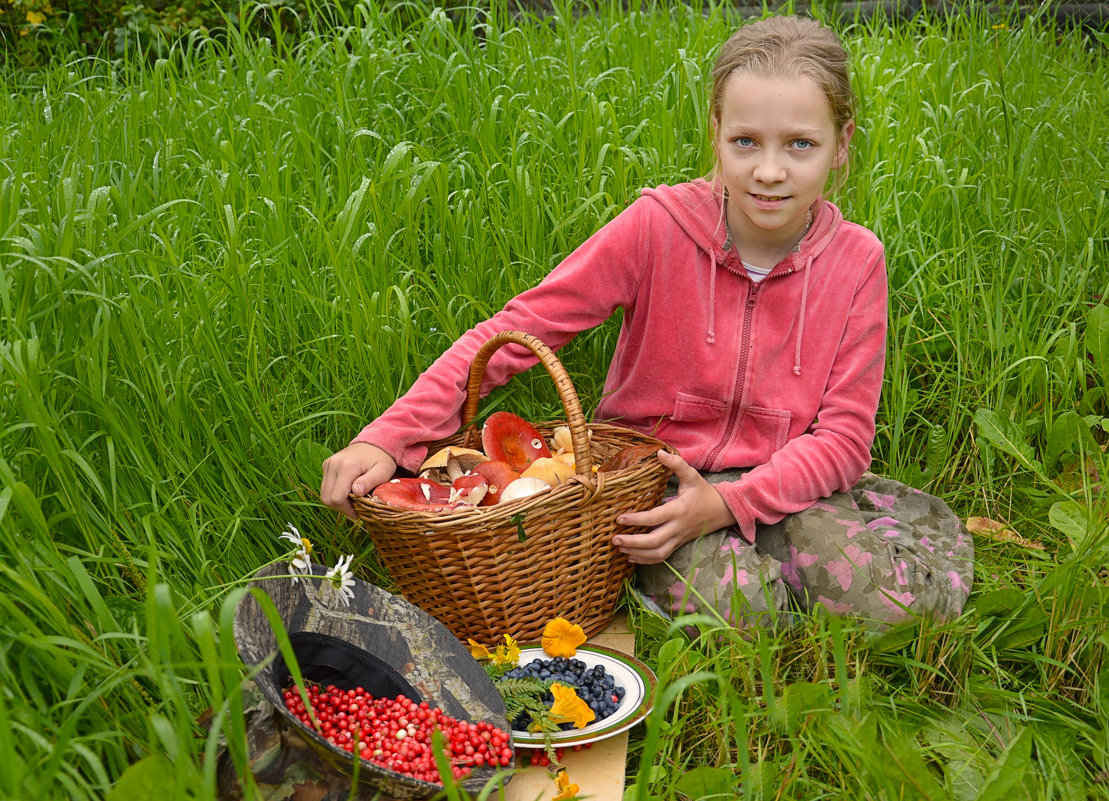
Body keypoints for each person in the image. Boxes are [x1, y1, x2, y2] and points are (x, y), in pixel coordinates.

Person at [320, 15, 973, 629]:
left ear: (840, 145)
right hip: (654, 478)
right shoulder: (656, 228)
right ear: (715, 131)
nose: (769, 171)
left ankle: (792, 545)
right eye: (745, 141)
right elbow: (521, 329)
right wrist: (388, 438)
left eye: (799, 144)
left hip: (787, 478)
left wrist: (728, 503)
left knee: (887, 604)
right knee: (737, 612)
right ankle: (748, 570)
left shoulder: (856, 260)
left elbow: (844, 438)